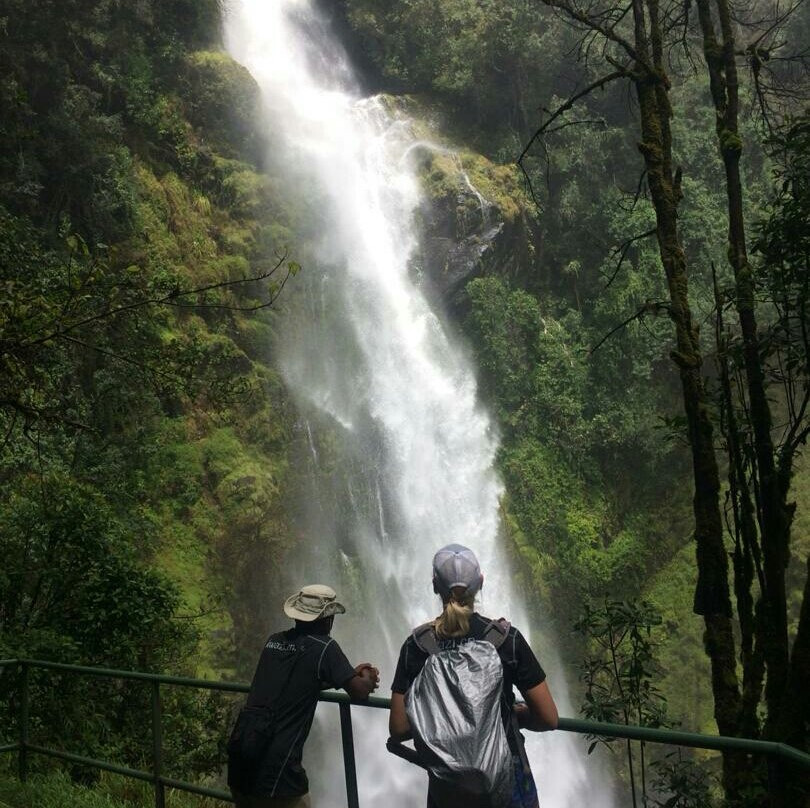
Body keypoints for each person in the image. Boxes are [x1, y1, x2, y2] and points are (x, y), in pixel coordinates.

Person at [389, 544, 558, 808]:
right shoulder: (506, 640)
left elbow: (399, 728)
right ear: (480, 583)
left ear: (435, 586)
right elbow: (548, 717)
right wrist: (515, 715)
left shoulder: (417, 646)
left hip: (448, 785)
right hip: (506, 777)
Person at [229, 584, 379, 808]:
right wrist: (367, 675)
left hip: (242, 760)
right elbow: (359, 692)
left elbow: (297, 681)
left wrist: (344, 674)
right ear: (328, 619)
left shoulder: (274, 641)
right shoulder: (325, 647)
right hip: (278, 774)